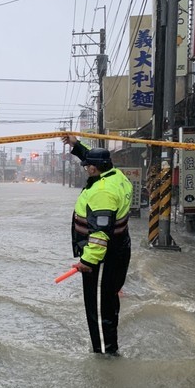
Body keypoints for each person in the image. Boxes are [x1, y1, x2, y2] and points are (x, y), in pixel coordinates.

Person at [62, 135, 133, 356]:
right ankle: (109, 346)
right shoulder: (116, 176)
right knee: (108, 302)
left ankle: (106, 356)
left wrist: (87, 261)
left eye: (87, 166)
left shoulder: (103, 192)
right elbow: (93, 159)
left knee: (100, 309)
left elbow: (100, 234)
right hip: (119, 249)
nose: (85, 169)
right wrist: (76, 146)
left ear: (94, 169)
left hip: (102, 259)